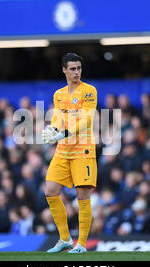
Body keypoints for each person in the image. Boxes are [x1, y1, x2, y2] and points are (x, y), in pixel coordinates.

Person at [41, 53, 97, 254]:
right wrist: (53, 130)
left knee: (82, 195)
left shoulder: (89, 91)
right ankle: (65, 239)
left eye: (79, 68)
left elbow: (87, 120)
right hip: (63, 149)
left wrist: (64, 133)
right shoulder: (59, 94)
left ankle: (81, 243)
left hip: (83, 149)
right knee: (50, 191)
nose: (77, 72)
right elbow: (58, 118)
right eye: (72, 69)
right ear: (64, 70)